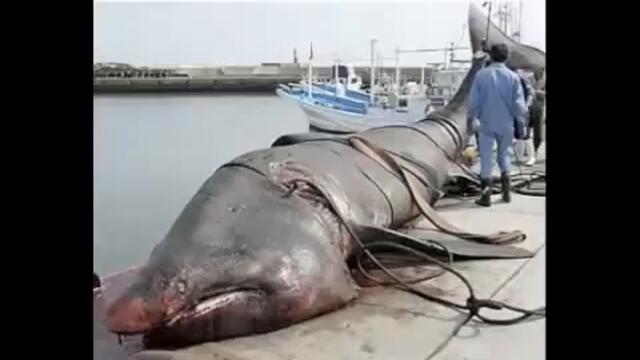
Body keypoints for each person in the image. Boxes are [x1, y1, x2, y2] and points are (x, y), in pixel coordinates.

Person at [468, 43, 528, 207]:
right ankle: (506, 194)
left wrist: (472, 119)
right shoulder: (514, 77)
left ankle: (485, 197)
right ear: (507, 57)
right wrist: (521, 123)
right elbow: (519, 105)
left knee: (487, 159)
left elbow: (473, 102)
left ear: (491, 56)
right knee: (505, 156)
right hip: (506, 123)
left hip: (486, 123)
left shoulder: (481, 75)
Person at [513, 70, 536, 166]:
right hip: (515, 109)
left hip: (524, 109)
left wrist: (526, 106)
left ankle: (531, 157)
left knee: (525, 134)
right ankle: (519, 156)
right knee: (518, 134)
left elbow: (531, 93)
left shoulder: (522, 78)